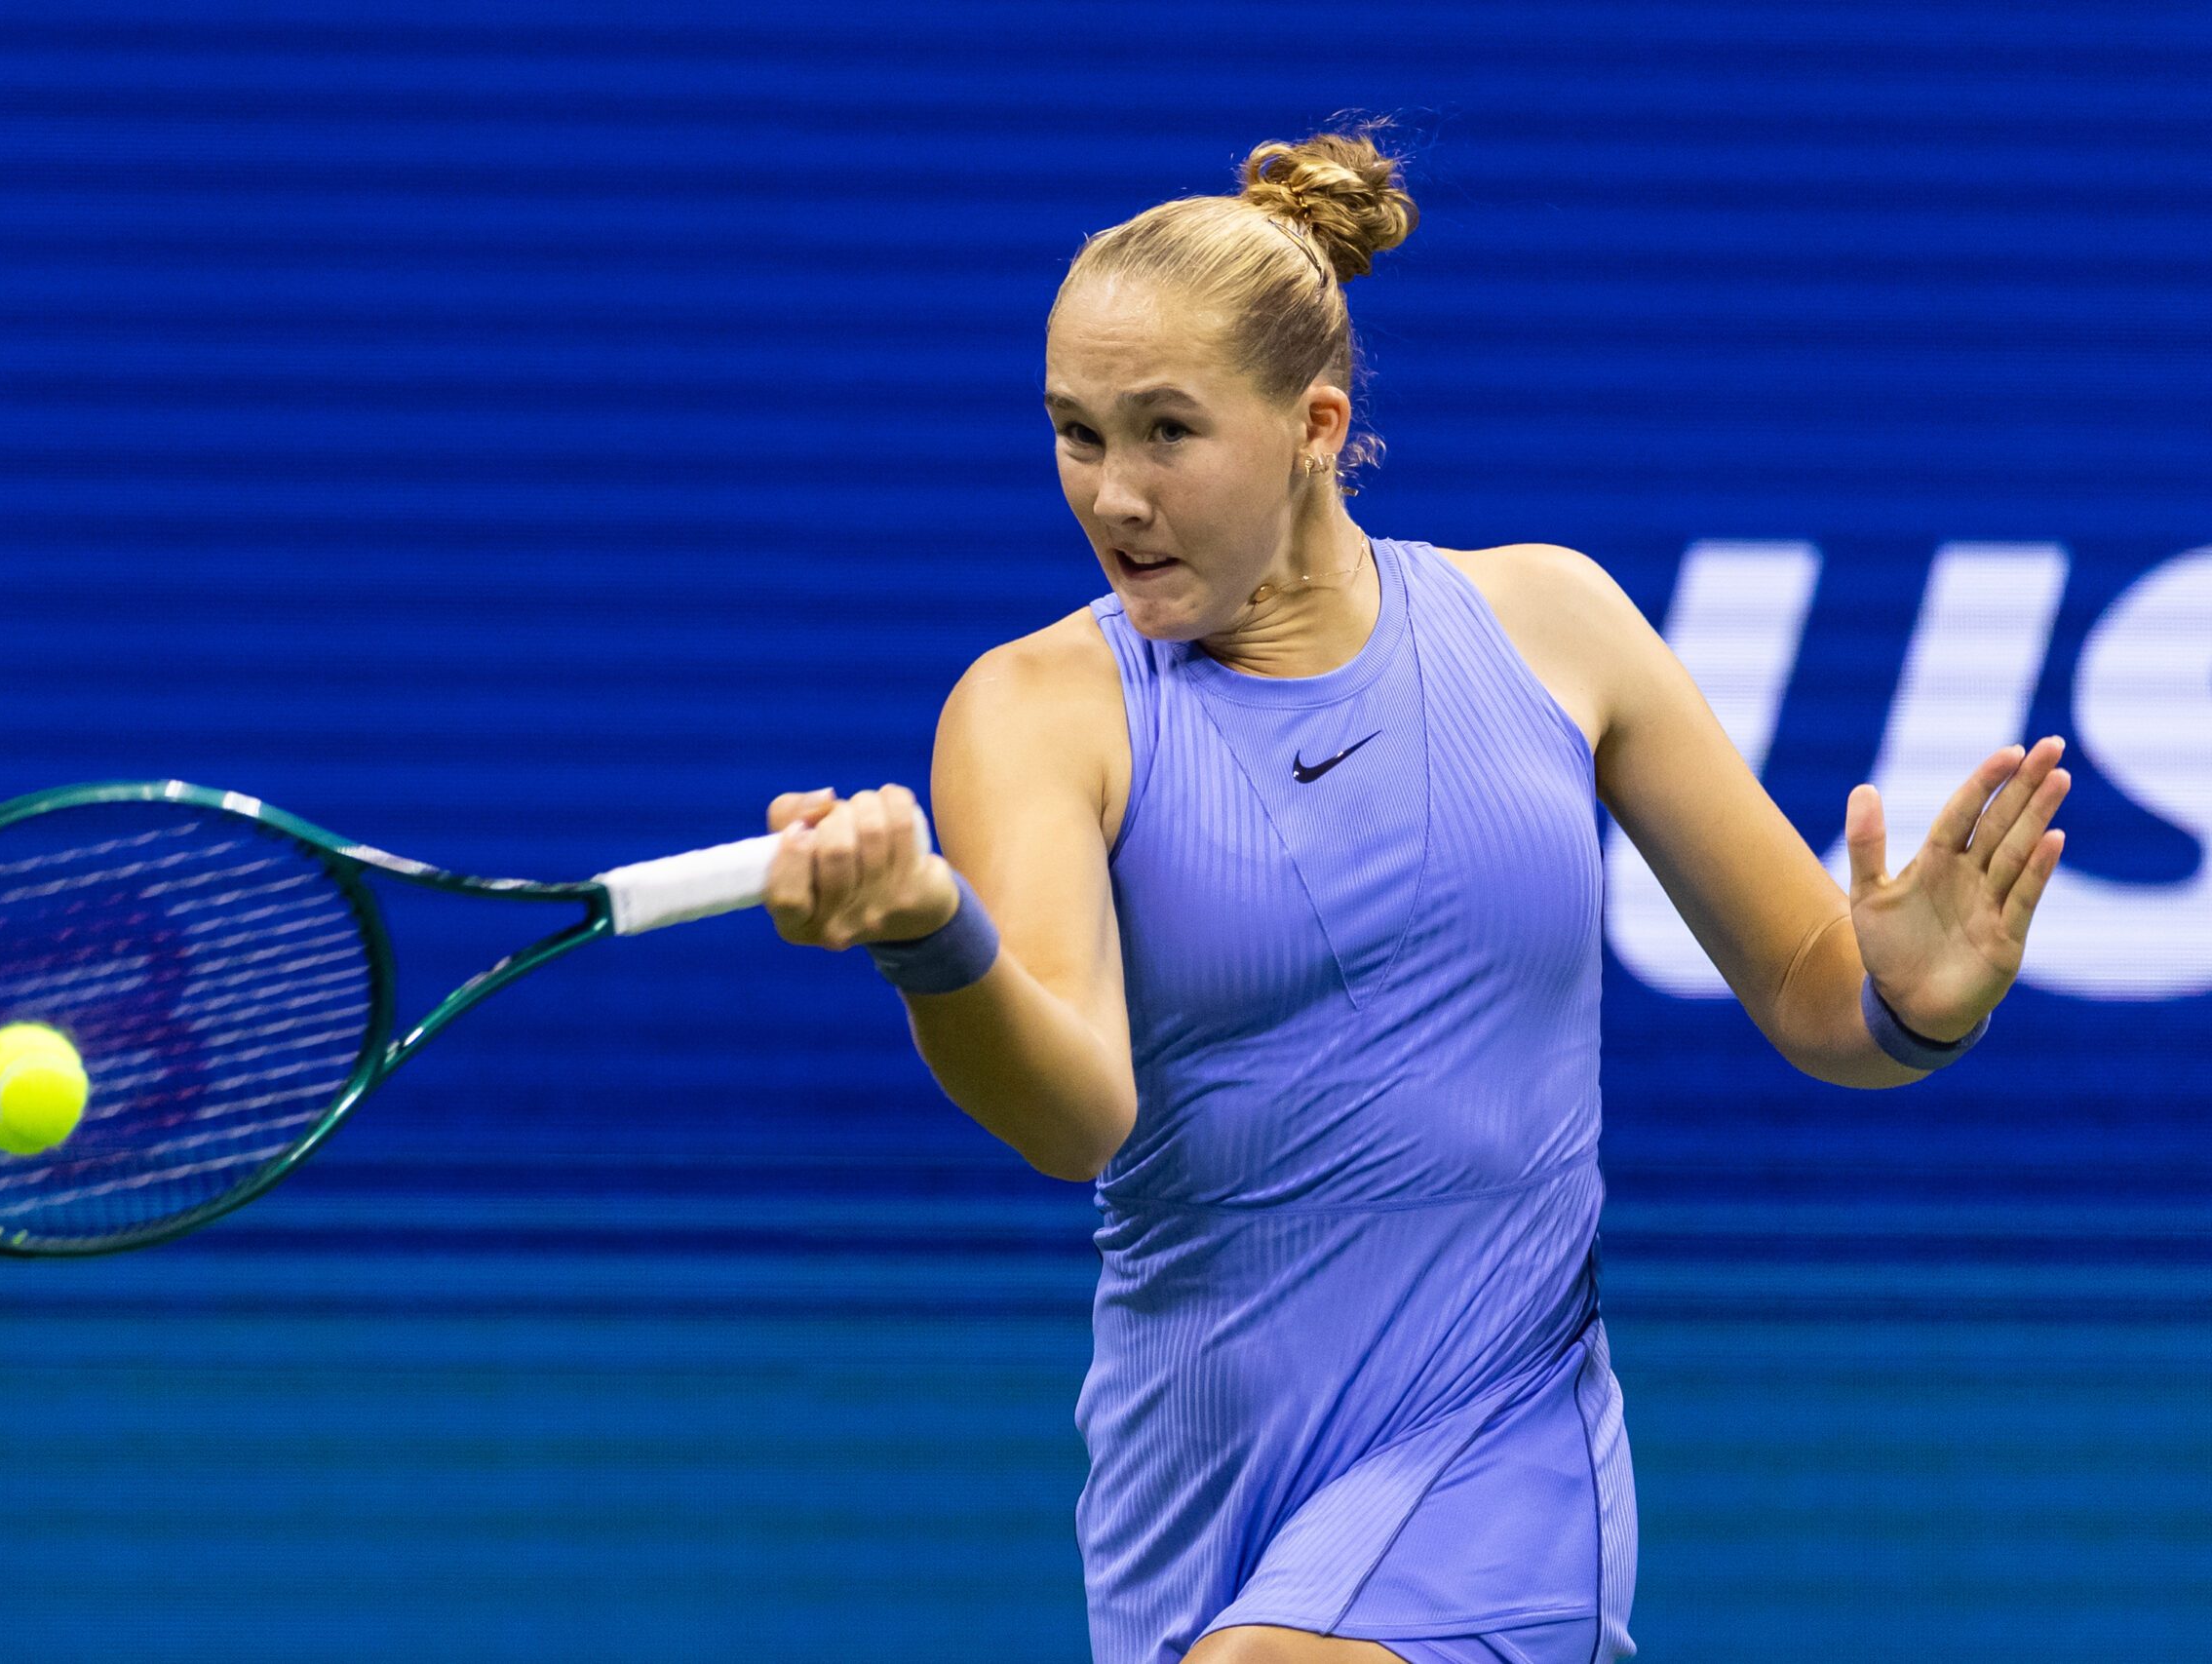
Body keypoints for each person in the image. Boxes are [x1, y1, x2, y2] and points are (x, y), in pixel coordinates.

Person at [759, 126, 2072, 1664]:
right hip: (1203, 1471)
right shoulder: (1037, 709)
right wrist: (932, 937)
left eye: (1166, 432)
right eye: (1074, 433)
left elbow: (1811, 994)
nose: (1111, 495)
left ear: (1315, 426)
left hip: (1502, 1427)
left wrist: (1906, 1004)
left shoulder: (1553, 623)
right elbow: (1074, 1117)